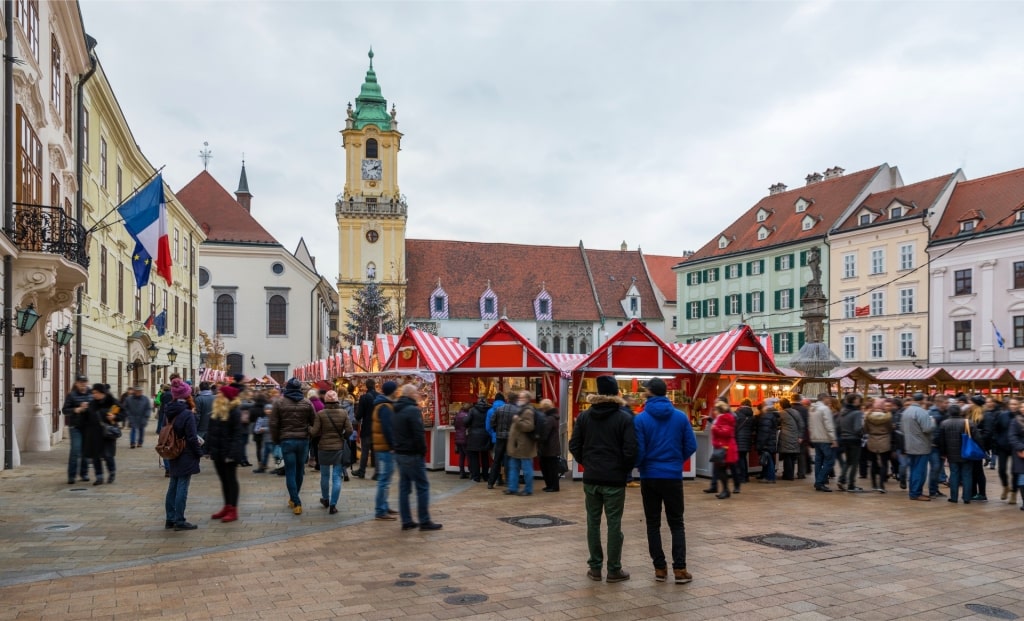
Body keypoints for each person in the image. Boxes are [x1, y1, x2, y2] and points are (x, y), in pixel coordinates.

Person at [569, 375, 637, 584]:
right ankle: (614, 569)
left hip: (592, 478)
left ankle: (595, 567)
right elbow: (631, 450)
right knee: (614, 524)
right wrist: (622, 470)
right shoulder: (624, 418)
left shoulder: (584, 417)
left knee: (593, 522)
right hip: (614, 479)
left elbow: (574, 445)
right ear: (616, 392)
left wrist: (587, 463)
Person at [634, 377, 696, 584]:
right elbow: (691, 445)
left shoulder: (640, 419)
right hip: (672, 475)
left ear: (649, 392)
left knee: (653, 523)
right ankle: (680, 569)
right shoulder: (680, 417)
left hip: (650, 476)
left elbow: (639, 451)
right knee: (677, 523)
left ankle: (659, 568)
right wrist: (677, 460)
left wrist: (642, 465)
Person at [393, 384, 442, 531]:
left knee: (404, 488)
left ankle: (406, 520)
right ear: (411, 395)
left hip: (400, 453)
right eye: (416, 393)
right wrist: (422, 451)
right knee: (422, 487)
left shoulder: (396, 410)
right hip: (412, 454)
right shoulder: (412, 410)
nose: (418, 395)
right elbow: (418, 433)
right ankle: (424, 520)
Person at [270, 378, 315, 515]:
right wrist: (309, 435)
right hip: (303, 440)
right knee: (299, 470)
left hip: (287, 440)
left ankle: (296, 501)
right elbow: (314, 421)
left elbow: (273, 424)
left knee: (290, 471)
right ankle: (294, 499)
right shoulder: (307, 403)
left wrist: (276, 439)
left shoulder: (279, 403)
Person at [164, 378, 203, 530]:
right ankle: (179, 520)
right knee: (182, 485)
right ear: (187, 396)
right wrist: (199, 453)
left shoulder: (168, 410)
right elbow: (192, 437)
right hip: (185, 452)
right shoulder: (187, 414)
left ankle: (170, 518)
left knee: (173, 484)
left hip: (173, 450)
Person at [311, 390, 354, 515]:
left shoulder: (320, 414)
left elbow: (314, 432)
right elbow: (349, 430)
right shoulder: (343, 413)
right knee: (336, 477)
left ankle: (325, 499)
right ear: (337, 401)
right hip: (338, 448)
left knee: (324, 476)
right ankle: (333, 505)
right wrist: (343, 436)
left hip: (323, 448)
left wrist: (309, 429)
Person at [207, 385, 245, 523]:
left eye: (220, 393)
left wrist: (232, 453)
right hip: (218, 452)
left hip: (229, 453)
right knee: (223, 480)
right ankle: (227, 506)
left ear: (226, 397)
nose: (217, 395)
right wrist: (208, 448)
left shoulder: (234, 412)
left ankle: (233, 509)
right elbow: (211, 432)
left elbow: (237, 435)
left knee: (231, 480)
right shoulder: (217, 411)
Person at [372, 381, 400, 520]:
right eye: (396, 390)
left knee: (386, 479)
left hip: (382, 447)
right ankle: (380, 510)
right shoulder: (385, 407)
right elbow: (388, 429)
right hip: (385, 448)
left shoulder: (383, 405)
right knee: (384, 480)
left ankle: (384, 506)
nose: (397, 392)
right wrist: (393, 446)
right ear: (392, 391)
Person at [938, 402, 977, 504]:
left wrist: (943, 453)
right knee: (967, 475)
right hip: (967, 453)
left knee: (954, 474)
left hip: (951, 454)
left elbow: (941, 440)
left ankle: (954, 497)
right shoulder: (968, 423)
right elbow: (977, 438)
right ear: (960, 412)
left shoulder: (944, 423)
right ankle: (967, 498)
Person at [81, 384, 119, 485]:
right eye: (93, 393)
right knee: (95, 457)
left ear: (102, 393)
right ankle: (99, 477)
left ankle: (112, 473)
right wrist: (83, 411)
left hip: (107, 434)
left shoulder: (112, 402)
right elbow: (85, 419)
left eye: (96, 393)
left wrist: (114, 417)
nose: (94, 395)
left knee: (108, 456)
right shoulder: (92, 404)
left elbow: (122, 414)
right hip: (94, 434)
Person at [902, 392, 935, 501]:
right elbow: (927, 429)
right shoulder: (921, 412)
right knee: (919, 471)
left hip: (910, 444)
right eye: (925, 399)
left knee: (913, 469)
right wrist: (933, 422)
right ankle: (916, 493)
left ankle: (913, 491)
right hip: (921, 445)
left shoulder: (906, 411)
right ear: (921, 400)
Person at [504, 391, 538, 496]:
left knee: (527, 469)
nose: (519, 399)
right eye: (519, 397)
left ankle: (528, 489)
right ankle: (512, 487)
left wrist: (517, 420)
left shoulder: (528, 411)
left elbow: (529, 427)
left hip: (524, 446)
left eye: (522, 398)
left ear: (527, 399)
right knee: (513, 467)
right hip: (516, 445)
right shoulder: (520, 410)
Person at [62, 375, 92, 484]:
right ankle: (72, 475)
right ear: (76, 383)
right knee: (75, 450)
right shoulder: (71, 395)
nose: (83, 384)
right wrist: (77, 409)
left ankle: (84, 473)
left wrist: (89, 407)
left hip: (88, 427)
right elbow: (65, 410)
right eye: (81, 382)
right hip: (75, 426)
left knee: (86, 451)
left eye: (85, 382)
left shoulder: (91, 394)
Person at [708, 401, 740, 498]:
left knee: (721, 470)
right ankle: (726, 490)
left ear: (719, 410)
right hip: (723, 448)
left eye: (715, 410)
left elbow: (726, 432)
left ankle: (726, 490)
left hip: (725, 449)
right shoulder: (721, 418)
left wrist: (715, 428)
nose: (714, 411)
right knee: (721, 470)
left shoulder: (724, 418)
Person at [808, 393, 838, 492]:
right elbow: (829, 425)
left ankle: (818, 480)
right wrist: (833, 439)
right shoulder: (825, 409)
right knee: (830, 461)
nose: (829, 400)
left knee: (818, 461)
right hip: (825, 438)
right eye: (828, 398)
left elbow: (810, 425)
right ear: (824, 398)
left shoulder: (812, 409)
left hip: (816, 438)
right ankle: (820, 482)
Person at [863, 398, 893, 493]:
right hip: (884, 439)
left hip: (872, 439)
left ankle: (874, 484)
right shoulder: (888, 417)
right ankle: (881, 485)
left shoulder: (868, 417)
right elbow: (890, 428)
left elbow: (865, 429)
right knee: (884, 463)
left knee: (873, 463)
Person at [837, 394, 865, 492]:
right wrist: (863, 432)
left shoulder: (843, 412)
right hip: (854, 439)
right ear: (854, 401)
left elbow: (839, 426)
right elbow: (858, 428)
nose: (859, 401)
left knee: (848, 461)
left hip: (844, 439)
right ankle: (851, 484)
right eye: (857, 399)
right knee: (854, 463)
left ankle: (841, 479)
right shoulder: (857, 413)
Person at [487, 393, 514, 490]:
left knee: (496, 460)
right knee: (508, 459)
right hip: (510, 438)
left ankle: (491, 482)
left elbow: (491, 423)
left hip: (499, 438)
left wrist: (496, 431)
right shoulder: (515, 410)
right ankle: (508, 481)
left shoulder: (498, 410)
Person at [353, 379, 379, 479]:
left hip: (367, 427)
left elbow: (359, 414)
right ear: (375, 385)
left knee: (365, 451)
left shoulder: (364, 397)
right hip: (377, 428)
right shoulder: (380, 396)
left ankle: (362, 471)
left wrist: (357, 418)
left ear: (366, 386)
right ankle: (377, 473)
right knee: (376, 451)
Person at [996, 398, 1020, 504]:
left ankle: (1014, 493)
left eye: (1015, 404)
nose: (1013, 406)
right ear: (1008, 405)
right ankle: (1005, 486)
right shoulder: (1002, 415)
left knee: (1015, 471)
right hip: (1003, 446)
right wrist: (997, 441)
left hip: (1016, 447)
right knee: (1001, 469)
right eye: (1012, 404)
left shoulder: (1020, 417)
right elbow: (996, 429)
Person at [966, 396, 988, 502]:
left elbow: (987, 433)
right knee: (974, 470)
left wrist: (977, 440)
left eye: (970, 402)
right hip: (974, 446)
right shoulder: (971, 414)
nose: (968, 404)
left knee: (978, 471)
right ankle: (974, 492)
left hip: (976, 447)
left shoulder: (982, 416)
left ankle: (982, 494)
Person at [465, 395, 492, 482]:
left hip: (474, 436)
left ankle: (476, 477)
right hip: (485, 435)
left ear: (478, 401)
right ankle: (485, 476)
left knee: (474, 457)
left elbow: (466, 422)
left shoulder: (472, 410)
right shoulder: (489, 410)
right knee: (485, 457)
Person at [927, 395, 950, 498]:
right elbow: (933, 431)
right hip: (934, 445)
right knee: (935, 468)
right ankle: (932, 491)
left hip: (941, 446)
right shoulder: (932, 413)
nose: (947, 404)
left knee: (938, 468)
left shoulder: (944, 412)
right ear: (940, 403)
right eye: (946, 403)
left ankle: (935, 489)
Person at [537, 398, 562, 492]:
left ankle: (553, 486)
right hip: (552, 447)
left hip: (548, 448)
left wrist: (538, 439)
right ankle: (551, 485)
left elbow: (544, 434)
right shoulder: (553, 417)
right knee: (551, 468)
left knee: (549, 468)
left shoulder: (549, 419)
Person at [778, 398, 805, 481]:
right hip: (795, 436)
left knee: (787, 456)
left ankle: (788, 475)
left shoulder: (782, 413)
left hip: (786, 436)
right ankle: (790, 474)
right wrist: (800, 436)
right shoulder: (796, 412)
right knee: (792, 456)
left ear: (782, 405)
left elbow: (777, 422)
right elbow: (802, 424)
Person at [753, 400, 779, 483]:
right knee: (769, 458)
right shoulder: (773, 415)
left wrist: (761, 444)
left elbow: (764, 431)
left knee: (769, 459)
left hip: (766, 442)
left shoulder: (766, 416)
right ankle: (766, 476)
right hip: (771, 441)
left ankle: (770, 477)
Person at [733, 399, 754, 484]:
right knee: (743, 458)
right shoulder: (751, 415)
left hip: (739, 438)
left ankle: (742, 477)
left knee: (740, 458)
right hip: (747, 439)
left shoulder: (737, 413)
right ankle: (745, 476)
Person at [1008, 402, 1024, 511]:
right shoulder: (1016, 421)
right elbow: (1012, 436)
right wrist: (1021, 448)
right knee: (1023, 477)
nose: (1023, 408)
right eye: (1022, 407)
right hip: (1021, 452)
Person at [306, 388, 326, 471]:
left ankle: (310, 460)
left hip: (311, 428)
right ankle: (318, 462)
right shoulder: (321, 404)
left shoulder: (308, 404)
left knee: (311, 445)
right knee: (318, 446)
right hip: (321, 428)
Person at [193, 382, 214, 450]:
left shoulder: (198, 399)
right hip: (211, 425)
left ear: (200, 388)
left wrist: (194, 427)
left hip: (201, 427)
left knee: (199, 444)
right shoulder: (214, 397)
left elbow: (197, 415)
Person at [453, 404, 470, 478]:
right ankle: (471, 472)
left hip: (458, 438)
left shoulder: (458, 415)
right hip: (465, 438)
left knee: (461, 456)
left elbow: (455, 426)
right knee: (469, 456)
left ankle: (461, 472)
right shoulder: (467, 416)